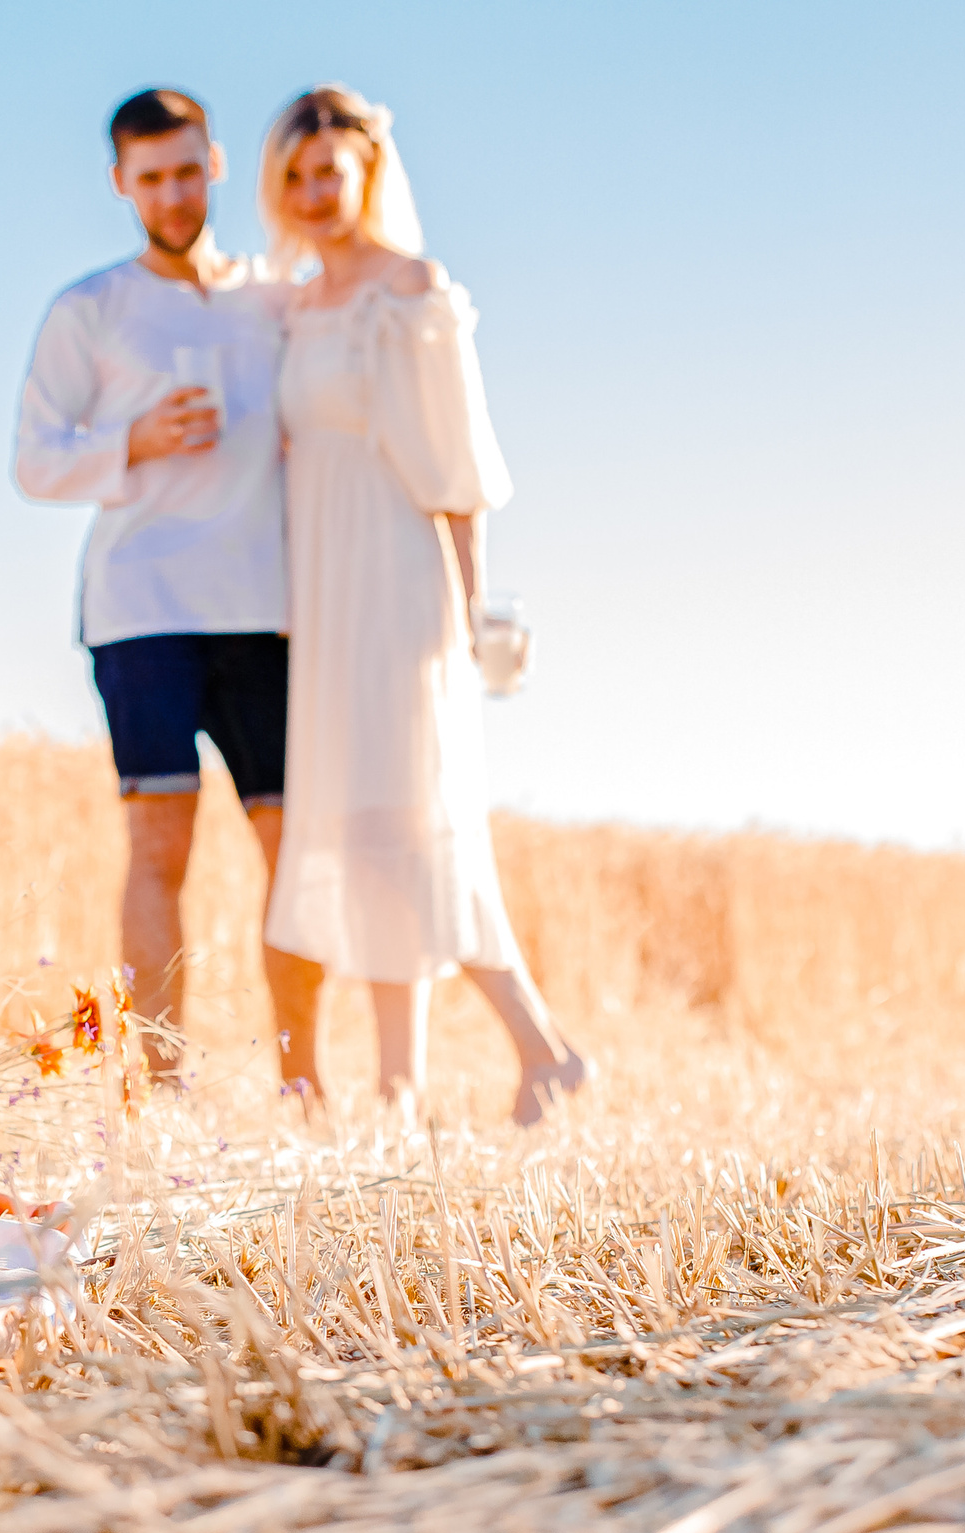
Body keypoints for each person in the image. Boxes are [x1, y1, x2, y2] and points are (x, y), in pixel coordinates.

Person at [257, 86, 589, 1125]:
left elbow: (457, 472)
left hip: (401, 584)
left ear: (366, 175)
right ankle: (400, 1082)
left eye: (332, 174)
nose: (315, 194)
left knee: (415, 820)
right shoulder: (292, 306)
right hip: (321, 591)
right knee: (361, 831)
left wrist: (472, 607)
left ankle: (540, 1047)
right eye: (297, 177)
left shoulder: (412, 292)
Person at [13, 86, 324, 1088]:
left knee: (291, 851)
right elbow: (32, 462)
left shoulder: (276, 297)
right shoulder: (88, 309)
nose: (173, 192)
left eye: (188, 170)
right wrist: (132, 439)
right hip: (142, 610)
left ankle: (302, 1079)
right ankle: (162, 1089)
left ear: (215, 165)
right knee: (159, 851)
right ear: (121, 184)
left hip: (265, 611)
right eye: (150, 178)